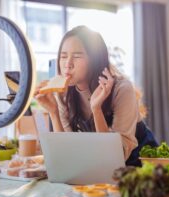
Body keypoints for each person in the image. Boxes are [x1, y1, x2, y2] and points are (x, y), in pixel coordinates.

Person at [34, 26, 157, 166]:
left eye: (77, 56)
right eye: (63, 56)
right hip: (100, 165)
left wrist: (96, 109)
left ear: (95, 59)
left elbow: (116, 156)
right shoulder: (63, 93)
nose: (67, 64)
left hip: (140, 163)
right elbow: (68, 152)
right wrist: (53, 112)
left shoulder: (122, 89)